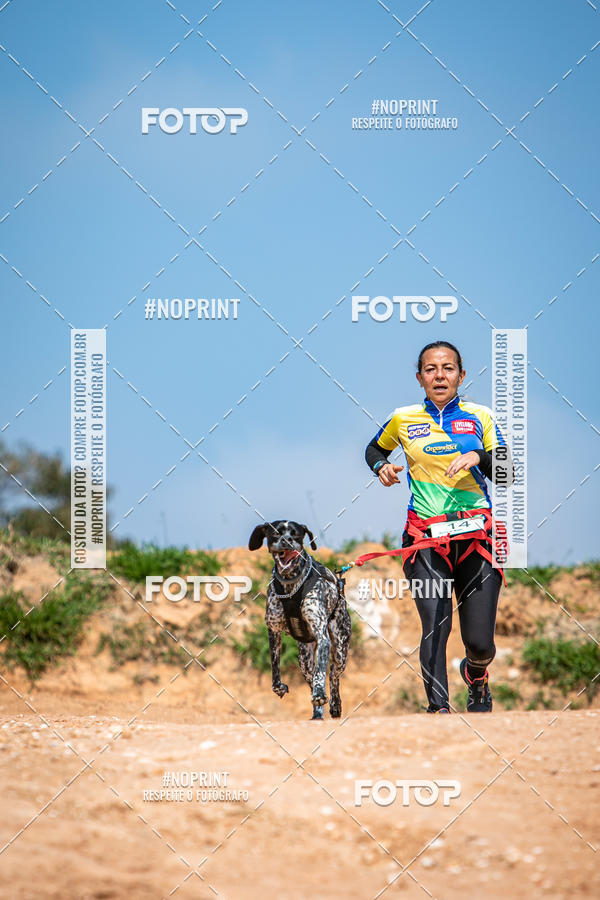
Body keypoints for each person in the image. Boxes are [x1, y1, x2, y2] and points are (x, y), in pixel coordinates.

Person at [365, 341, 511, 713]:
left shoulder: (480, 416)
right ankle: (439, 710)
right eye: (431, 369)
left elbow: (507, 472)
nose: (440, 376)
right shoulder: (404, 418)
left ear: (461, 375)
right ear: (420, 378)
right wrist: (382, 466)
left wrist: (477, 455)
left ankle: (476, 675)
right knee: (435, 622)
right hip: (426, 540)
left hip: (477, 539)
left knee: (480, 643)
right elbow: (374, 449)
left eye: (448, 368)